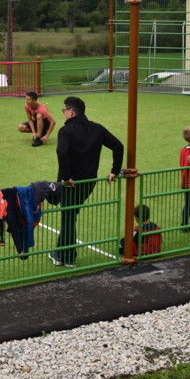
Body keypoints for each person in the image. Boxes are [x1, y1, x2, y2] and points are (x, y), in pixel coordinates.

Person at [50, 96, 123, 268]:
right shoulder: (97, 128)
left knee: (68, 217)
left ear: (72, 112)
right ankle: (60, 252)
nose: (64, 113)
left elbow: (62, 153)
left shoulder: (65, 131)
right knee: (71, 215)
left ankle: (67, 257)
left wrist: (66, 177)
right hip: (89, 182)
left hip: (71, 182)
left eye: (65, 110)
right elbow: (118, 146)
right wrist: (114, 170)